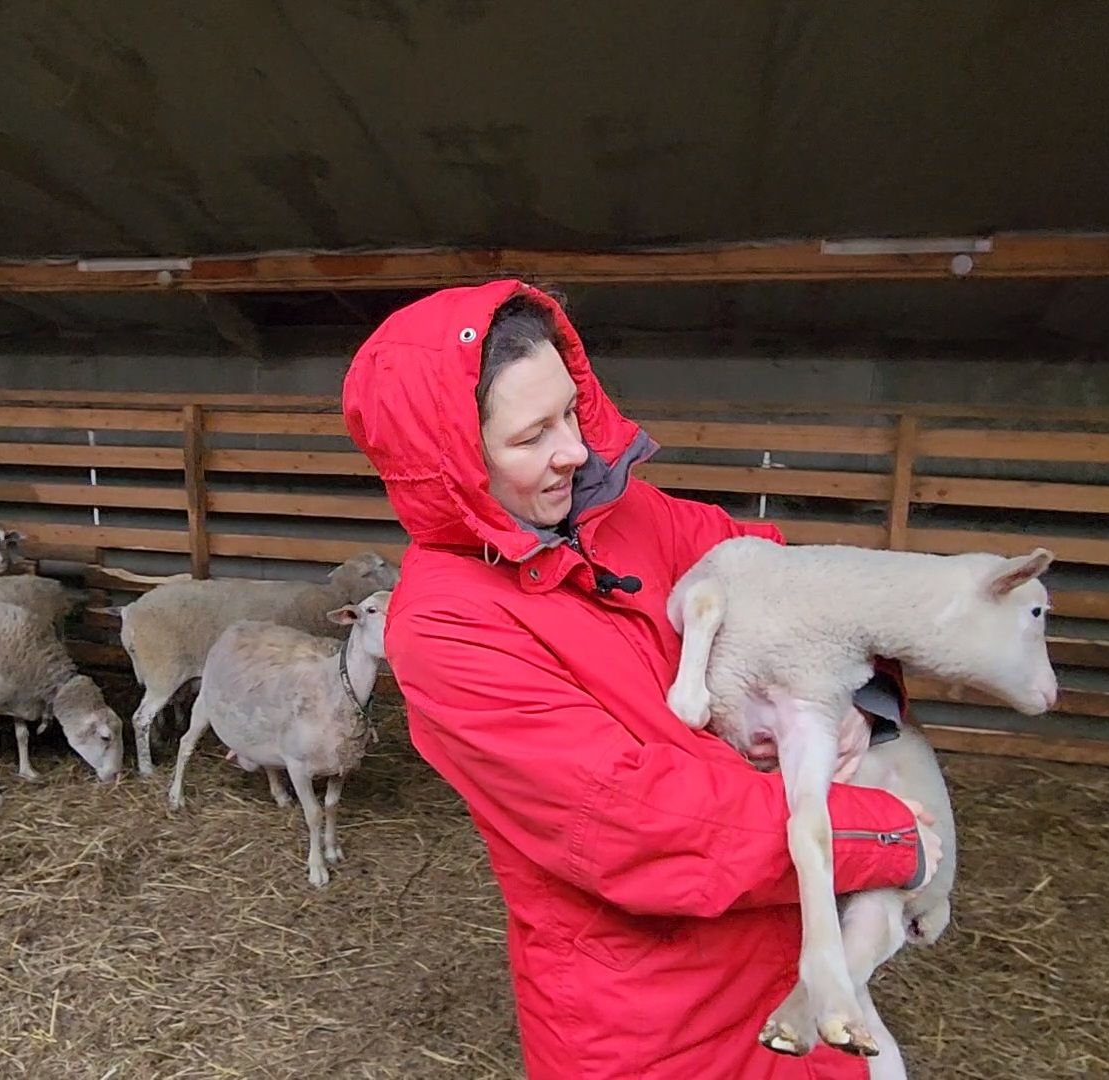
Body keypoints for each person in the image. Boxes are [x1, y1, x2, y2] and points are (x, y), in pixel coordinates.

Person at [341, 280, 939, 1079]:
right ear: (451, 463)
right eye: (531, 437)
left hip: (786, 959)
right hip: (647, 1022)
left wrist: (856, 699)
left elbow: (804, 588)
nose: (575, 450)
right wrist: (888, 837)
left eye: (570, 413)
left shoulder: (633, 516)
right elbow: (638, 824)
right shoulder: (447, 628)